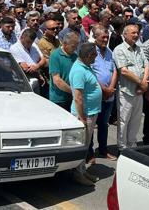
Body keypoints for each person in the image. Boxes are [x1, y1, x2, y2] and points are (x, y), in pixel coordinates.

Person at [69, 43, 102, 186]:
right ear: (89, 56)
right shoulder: (78, 70)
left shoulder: (86, 66)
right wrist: (82, 118)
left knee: (86, 144)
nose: (96, 57)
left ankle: (82, 170)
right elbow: (78, 97)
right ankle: (78, 174)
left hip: (91, 112)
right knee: (82, 145)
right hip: (85, 114)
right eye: (95, 55)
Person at [113, 24, 149, 149]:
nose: (136, 35)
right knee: (124, 121)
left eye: (137, 32)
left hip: (139, 91)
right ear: (125, 35)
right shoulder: (119, 50)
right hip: (126, 91)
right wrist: (141, 83)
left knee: (136, 120)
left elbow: (146, 66)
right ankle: (122, 148)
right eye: (133, 33)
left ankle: (132, 146)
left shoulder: (140, 49)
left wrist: (143, 84)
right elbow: (124, 71)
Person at [90, 24, 117, 160]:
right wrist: (103, 89)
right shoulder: (90, 51)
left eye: (107, 37)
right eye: (103, 37)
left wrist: (110, 88)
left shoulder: (109, 52)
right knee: (90, 125)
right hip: (95, 94)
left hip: (109, 95)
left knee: (103, 124)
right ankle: (89, 154)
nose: (106, 40)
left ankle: (103, 150)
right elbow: (90, 72)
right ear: (95, 38)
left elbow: (114, 71)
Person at [49, 32, 79, 110]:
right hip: (59, 99)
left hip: (72, 98)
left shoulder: (75, 56)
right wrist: (73, 92)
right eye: (73, 47)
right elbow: (57, 80)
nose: (75, 49)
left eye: (76, 46)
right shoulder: (55, 55)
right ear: (65, 44)